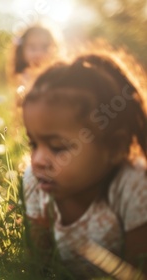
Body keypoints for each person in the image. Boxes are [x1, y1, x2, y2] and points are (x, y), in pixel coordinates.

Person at [22, 49, 147, 278]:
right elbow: (40, 266)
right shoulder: (36, 182)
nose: (38, 160)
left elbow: (136, 271)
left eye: (58, 147)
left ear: (115, 147)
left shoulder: (133, 185)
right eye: (33, 144)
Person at [7, 24, 62, 103]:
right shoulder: (23, 77)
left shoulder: (58, 76)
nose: (38, 54)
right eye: (32, 48)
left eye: (45, 47)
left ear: (55, 49)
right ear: (21, 50)